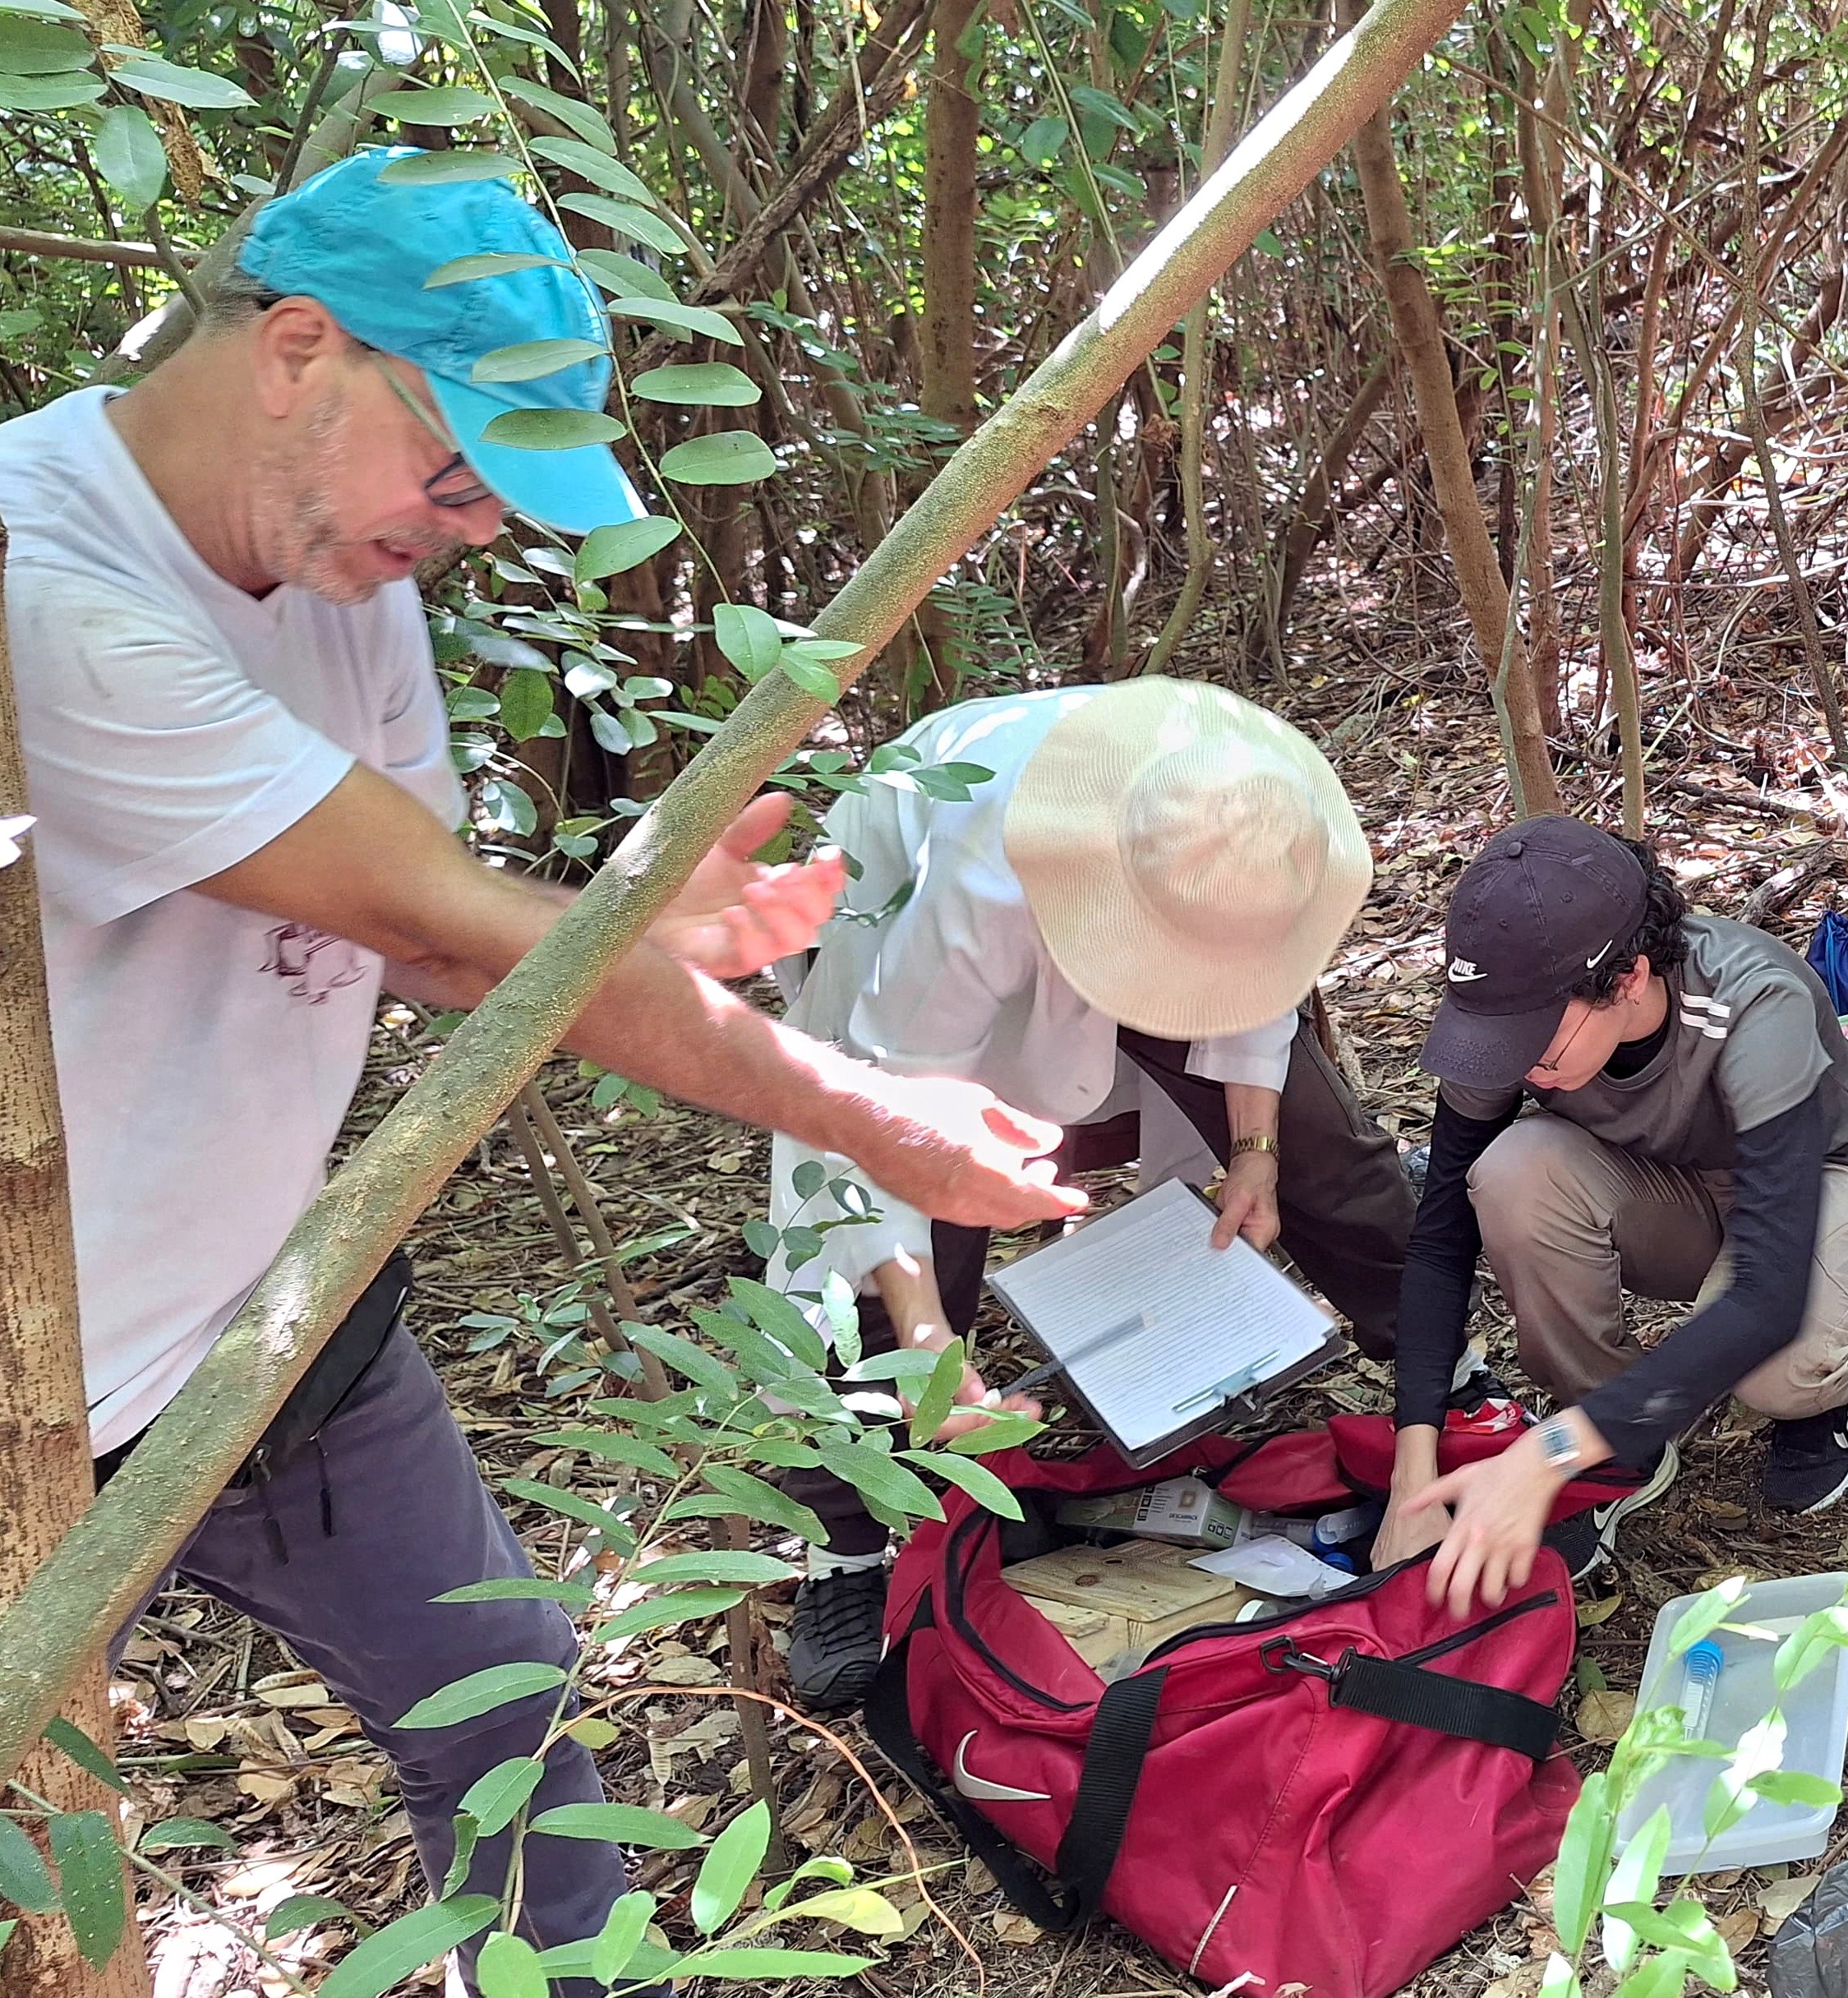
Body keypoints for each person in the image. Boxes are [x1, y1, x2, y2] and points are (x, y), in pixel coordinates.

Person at [0, 149, 1089, 1977]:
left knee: (507, 1712)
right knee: (46, 1865)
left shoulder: (345, 572)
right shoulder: (43, 586)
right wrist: (834, 1087)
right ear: (296, 349)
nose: (473, 529)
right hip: (38, 1368)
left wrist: (660, 946)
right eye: (457, 475)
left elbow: (434, 942)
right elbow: (442, 918)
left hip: (268, 1314)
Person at [760, 677, 1411, 1707]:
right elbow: (887, 1123)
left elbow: (1259, 988)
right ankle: (844, 1546)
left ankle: (1437, 1372)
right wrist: (928, 1341)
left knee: (1322, 1141)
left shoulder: (1261, 816)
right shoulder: (975, 880)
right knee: (893, 1255)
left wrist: (1255, 1150)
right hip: (909, 959)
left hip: (1160, 895)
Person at [1376, 819, 1848, 1613]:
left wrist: (1544, 1453)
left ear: (1630, 977)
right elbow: (1440, 1239)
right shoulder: (1516, 1012)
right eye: (1499, 1039)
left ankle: (1816, 1395)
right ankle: (1620, 1433)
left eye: (1534, 1041)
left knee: (1778, 1361)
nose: (1516, 1064)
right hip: (1678, 1194)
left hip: (1825, 1185)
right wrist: (1412, 1473)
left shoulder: (1751, 999)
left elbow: (1767, 1295)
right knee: (1511, 1172)